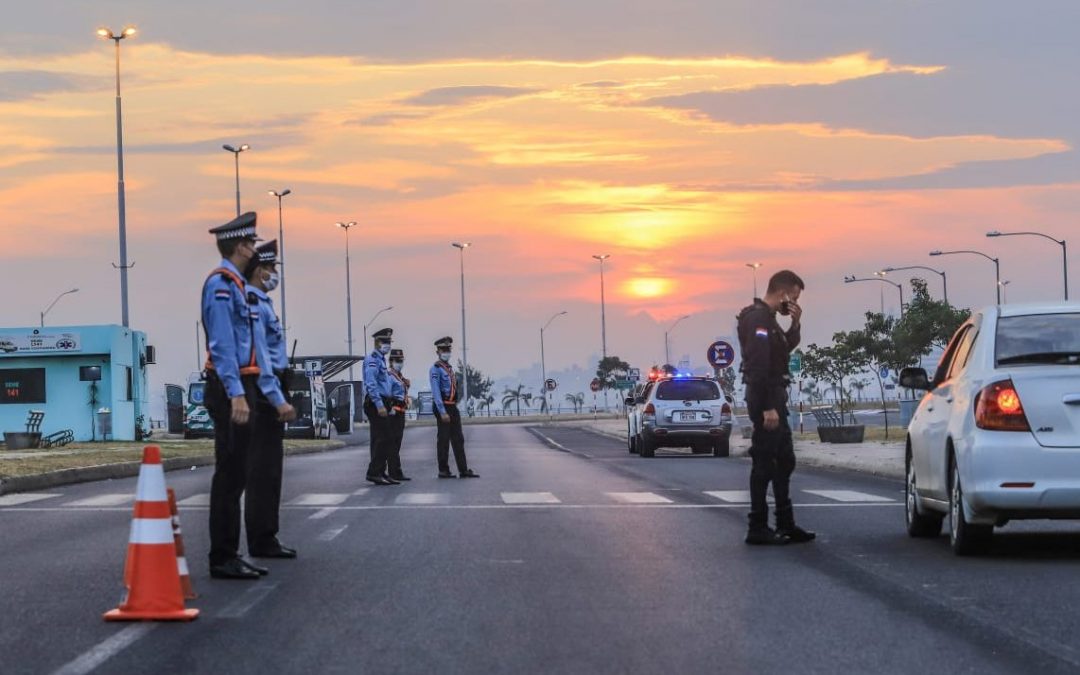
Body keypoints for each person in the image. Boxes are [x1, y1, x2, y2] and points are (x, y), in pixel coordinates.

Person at [201, 212, 296, 580]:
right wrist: (237, 394)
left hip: (245, 386)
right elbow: (224, 346)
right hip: (232, 388)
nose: (254, 251)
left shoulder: (235, 286)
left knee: (238, 473)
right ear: (240, 246)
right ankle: (222, 556)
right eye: (252, 245)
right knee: (230, 475)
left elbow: (253, 350)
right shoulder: (222, 285)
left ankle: (230, 553)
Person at [736, 269, 815, 546]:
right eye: (792, 298)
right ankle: (757, 526)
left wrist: (795, 324)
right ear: (783, 293)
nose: (792, 304)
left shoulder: (768, 320)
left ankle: (785, 523)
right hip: (766, 397)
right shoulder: (757, 318)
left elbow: (782, 351)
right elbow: (759, 365)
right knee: (764, 462)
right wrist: (768, 406)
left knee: (785, 460)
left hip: (774, 395)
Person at [243, 240, 298, 559]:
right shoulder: (253, 303)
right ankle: (262, 539)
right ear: (259, 270)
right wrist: (278, 399)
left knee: (270, 469)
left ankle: (266, 535)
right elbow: (261, 357)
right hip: (265, 395)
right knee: (263, 470)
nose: (274, 274)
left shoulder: (261, 302)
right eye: (271, 268)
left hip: (270, 390)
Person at [429, 337, 478, 479]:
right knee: (443, 439)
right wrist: (442, 411)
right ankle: (443, 470)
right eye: (443, 350)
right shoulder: (435, 369)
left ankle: (463, 469)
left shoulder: (449, 369)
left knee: (458, 439)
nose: (446, 352)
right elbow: (436, 391)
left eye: (448, 350)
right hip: (442, 406)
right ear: (437, 351)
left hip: (452, 406)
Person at [364, 328, 398, 485]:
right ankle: (373, 472)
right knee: (384, 438)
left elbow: (386, 383)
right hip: (375, 402)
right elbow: (371, 384)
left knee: (386, 439)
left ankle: (380, 472)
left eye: (389, 342)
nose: (387, 345)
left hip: (383, 401)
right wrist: (379, 405)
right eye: (385, 342)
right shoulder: (372, 359)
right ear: (377, 342)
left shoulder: (381, 360)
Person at [386, 348, 411, 482]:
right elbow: (387, 393)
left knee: (397, 443)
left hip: (401, 412)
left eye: (400, 360)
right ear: (391, 362)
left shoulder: (400, 376)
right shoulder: (389, 375)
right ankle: (393, 472)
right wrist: (390, 408)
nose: (399, 363)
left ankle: (396, 471)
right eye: (396, 361)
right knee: (393, 444)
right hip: (393, 413)